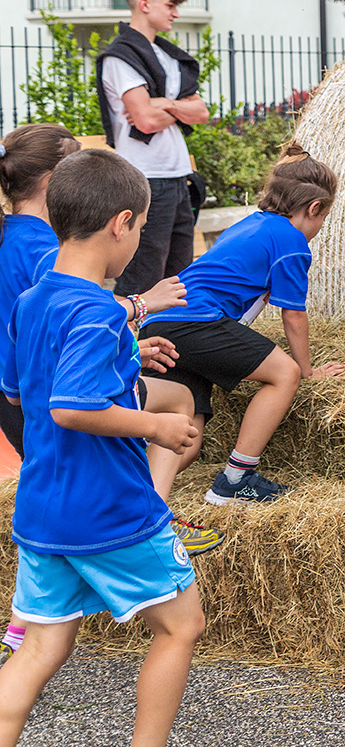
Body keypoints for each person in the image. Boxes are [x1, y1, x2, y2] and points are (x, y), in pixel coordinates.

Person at [0, 149, 205, 747]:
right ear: (121, 223)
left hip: (43, 510)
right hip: (109, 509)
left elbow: (20, 388)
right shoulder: (99, 312)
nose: (137, 241)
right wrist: (155, 428)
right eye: (139, 229)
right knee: (182, 626)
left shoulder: (33, 301)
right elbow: (71, 405)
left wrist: (125, 359)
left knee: (42, 645)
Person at [0, 124, 221, 569]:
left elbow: (45, 339)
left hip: (29, 417)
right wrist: (141, 305)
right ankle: (156, 520)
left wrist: (127, 347)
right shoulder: (50, 255)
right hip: (68, 420)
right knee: (181, 400)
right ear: (58, 184)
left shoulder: (11, 238)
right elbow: (79, 340)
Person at [139, 145, 345, 506]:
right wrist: (307, 371)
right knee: (284, 373)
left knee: (186, 440)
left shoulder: (251, 224)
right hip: (194, 322)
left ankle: (123, 495)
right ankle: (236, 479)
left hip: (160, 323)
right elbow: (293, 315)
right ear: (315, 208)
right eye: (323, 218)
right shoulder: (291, 240)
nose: (319, 227)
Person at [94, 0, 211, 298]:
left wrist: (164, 103)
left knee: (178, 275)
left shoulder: (169, 57)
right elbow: (145, 120)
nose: (176, 14)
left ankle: (170, 332)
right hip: (146, 178)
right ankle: (128, 332)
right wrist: (175, 107)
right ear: (145, 4)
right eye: (170, 5)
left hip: (178, 176)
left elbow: (202, 113)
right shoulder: (120, 57)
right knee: (143, 276)